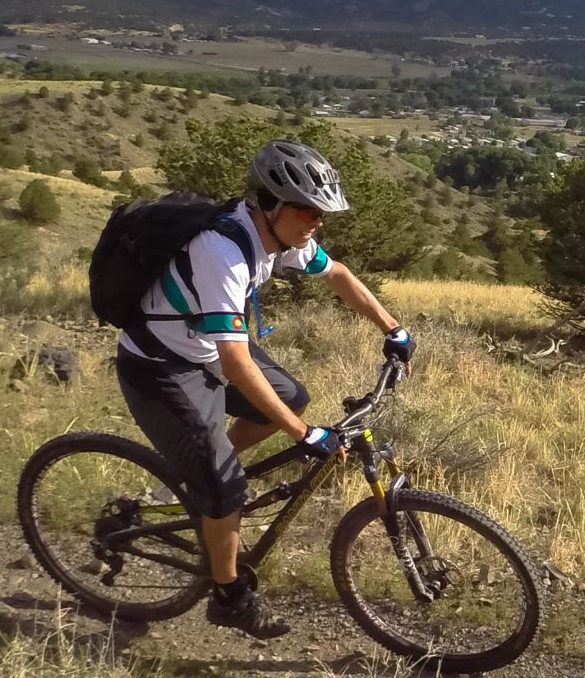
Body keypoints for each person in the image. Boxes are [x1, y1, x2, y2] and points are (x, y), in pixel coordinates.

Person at [114, 140, 415, 637]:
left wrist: (393, 329)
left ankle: (203, 474)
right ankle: (228, 598)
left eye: (322, 213)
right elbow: (235, 360)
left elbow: (337, 274)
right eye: (308, 210)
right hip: (162, 366)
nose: (316, 222)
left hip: (204, 350)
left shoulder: (280, 238)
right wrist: (303, 435)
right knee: (229, 486)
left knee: (290, 397)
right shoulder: (222, 252)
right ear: (270, 204)